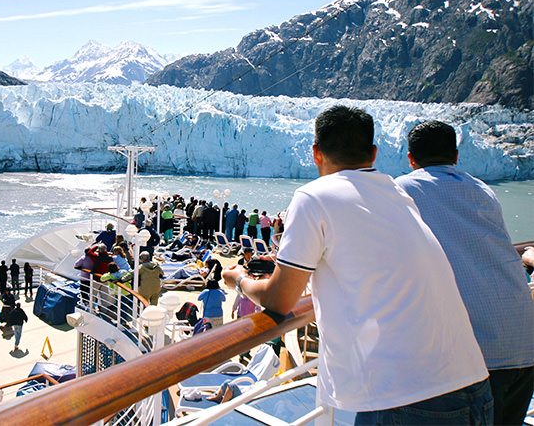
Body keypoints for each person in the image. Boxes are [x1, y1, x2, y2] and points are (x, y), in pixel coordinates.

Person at [222, 105, 491, 424]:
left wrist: (239, 279)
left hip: (405, 398)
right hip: (472, 384)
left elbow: (280, 300)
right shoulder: (396, 192)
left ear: (315, 152)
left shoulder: (313, 196)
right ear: (374, 153)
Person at [395, 120, 534, 426]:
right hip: (523, 341)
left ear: (410, 158)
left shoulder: (403, 190)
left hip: (477, 353)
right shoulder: (483, 190)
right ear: (456, 156)